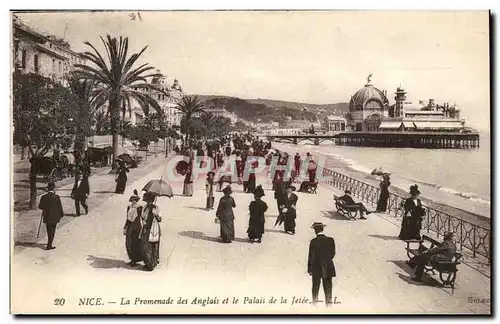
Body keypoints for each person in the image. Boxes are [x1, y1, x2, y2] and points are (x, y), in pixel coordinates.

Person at [308, 222, 336, 307]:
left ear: (315, 231)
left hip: (316, 268)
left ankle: (315, 306)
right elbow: (332, 253)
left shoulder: (313, 241)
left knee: (315, 288)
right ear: (322, 229)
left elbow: (311, 257)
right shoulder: (331, 240)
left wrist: (309, 269)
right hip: (328, 267)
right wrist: (326, 261)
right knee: (328, 289)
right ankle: (329, 307)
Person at [38, 182, 64, 250]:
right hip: (55, 216)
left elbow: (40, 207)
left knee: (49, 229)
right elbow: (60, 207)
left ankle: (49, 243)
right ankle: (49, 245)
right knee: (53, 230)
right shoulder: (57, 197)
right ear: (54, 188)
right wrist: (61, 214)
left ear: (48, 188)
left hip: (47, 216)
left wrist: (45, 207)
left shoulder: (43, 197)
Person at [141, 192, 162, 271]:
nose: (149, 203)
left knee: (153, 247)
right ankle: (147, 262)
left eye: (150, 201)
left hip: (154, 229)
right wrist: (143, 221)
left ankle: (151, 264)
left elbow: (160, 219)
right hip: (146, 228)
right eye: (147, 201)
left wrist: (156, 214)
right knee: (145, 247)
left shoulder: (156, 208)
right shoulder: (145, 208)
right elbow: (142, 217)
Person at [123, 190, 143, 266]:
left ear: (137, 200)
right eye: (132, 200)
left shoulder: (139, 207)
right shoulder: (129, 207)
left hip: (137, 226)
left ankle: (135, 260)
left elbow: (143, 217)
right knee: (128, 242)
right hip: (130, 226)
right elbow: (127, 218)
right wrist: (125, 227)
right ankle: (131, 258)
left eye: (134, 200)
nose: (133, 201)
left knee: (135, 243)